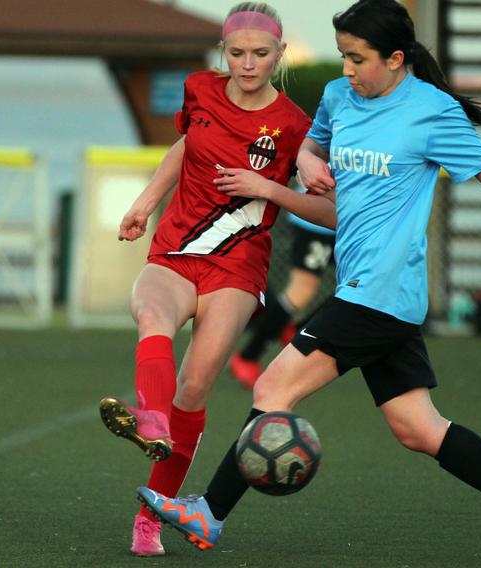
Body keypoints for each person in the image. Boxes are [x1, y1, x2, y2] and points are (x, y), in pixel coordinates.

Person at [135, 1, 481, 567]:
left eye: (356, 59)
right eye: (341, 56)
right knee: (418, 428)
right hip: (368, 292)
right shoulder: (341, 98)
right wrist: (311, 164)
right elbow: (311, 147)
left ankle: (210, 513)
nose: (345, 71)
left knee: (271, 389)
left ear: (395, 59)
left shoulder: (432, 113)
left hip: (380, 292)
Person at [97, 1, 333, 557]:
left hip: (237, 264)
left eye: (259, 54)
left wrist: (277, 184)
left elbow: (326, 209)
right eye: (236, 53)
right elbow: (185, 146)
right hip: (176, 246)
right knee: (151, 314)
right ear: (222, 54)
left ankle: (150, 517)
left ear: (279, 56)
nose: (246, 64)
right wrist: (145, 201)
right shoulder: (200, 89)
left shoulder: (298, 126)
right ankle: (151, 420)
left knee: (196, 384)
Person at [228, 204, 335, 388]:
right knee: (302, 290)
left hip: (354, 223)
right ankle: (248, 356)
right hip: (320, 220)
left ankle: (299, 329)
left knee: (359, 284)